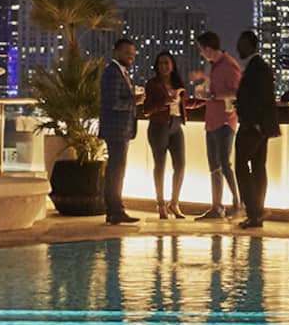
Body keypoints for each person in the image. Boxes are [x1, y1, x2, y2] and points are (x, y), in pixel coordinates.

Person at [233, 29, 280, 229]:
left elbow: (260, 99)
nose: (238, 47)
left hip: (254, 126)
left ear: (250, 45)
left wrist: (252, 122)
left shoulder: (256, 67)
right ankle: (257, 212)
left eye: (241, 44)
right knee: (259, 167)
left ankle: (254, 211)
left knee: (242, 165)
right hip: (261, 126)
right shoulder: (259, 66)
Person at [193, 31, 241, 220]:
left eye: (201, 50)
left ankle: (238, 204)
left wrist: (211, 97)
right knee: (214, 165)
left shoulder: (229, 65)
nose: (201, 54)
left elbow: (236, 93)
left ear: (207, 48)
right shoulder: (215, 66)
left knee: (224, 163)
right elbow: (215, 88)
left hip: (225, 122)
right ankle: (217, 207)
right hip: (212, 121)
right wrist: (205, 85)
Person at [141, 50, 192, 219]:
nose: (163, 66)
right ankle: (161, 204)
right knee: (160, 165)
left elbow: (185, 103)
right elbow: (146, 109)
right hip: (159, 126)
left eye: (167, 63)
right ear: (157, 66)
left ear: (172, 65)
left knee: (181, 165)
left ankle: (174, 203)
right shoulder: (153, 84)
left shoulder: (178, 83)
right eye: (160, 63)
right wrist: (164, 102)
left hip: (176, 125)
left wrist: (207, 100)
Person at [98, 37, 141, 225]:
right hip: (116, 129)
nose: (131, 57)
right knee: (116, 170)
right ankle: (115, 210)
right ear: (116, 52)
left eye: (132, 54)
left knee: (118, 170)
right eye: (127, 53)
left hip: (121, 129)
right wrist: (135, 101)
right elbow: (113, 102)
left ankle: (116, 209)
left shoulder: (122, 72)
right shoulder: (113, 73)